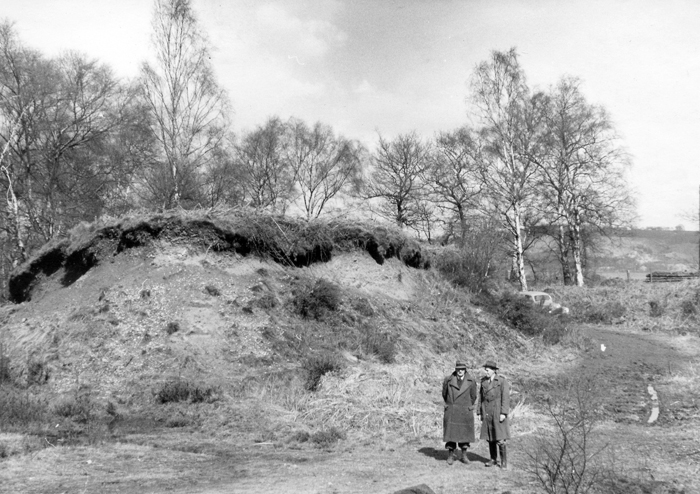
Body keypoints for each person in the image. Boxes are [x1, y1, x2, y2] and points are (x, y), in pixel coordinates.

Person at [442, 360, 477, 465]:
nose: (460, 371)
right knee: (451, 435)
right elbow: (444, 394)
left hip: (464, 411)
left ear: (465, 370)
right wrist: (450, 404)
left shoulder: (471, 381)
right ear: (455, 369)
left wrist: (465, 405)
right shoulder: (448, 380)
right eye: (458, 369)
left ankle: (464, 456)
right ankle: (450, 455)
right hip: (452, 410)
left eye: (462, 369)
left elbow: (473, 396)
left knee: (464, 435)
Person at [477, 360, 510, 469]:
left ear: (493, 371)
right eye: (485, 369)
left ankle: (503, 462)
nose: (486, 371)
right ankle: (493, 459)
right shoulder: (483, 382)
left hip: (497, 413)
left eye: (487, 370)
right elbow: (480, 399)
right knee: (490, 437)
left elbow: (505, 398)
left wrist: (503, 413)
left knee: (500, 439)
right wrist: (479, 412)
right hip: (487, 413)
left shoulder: (501, 381)